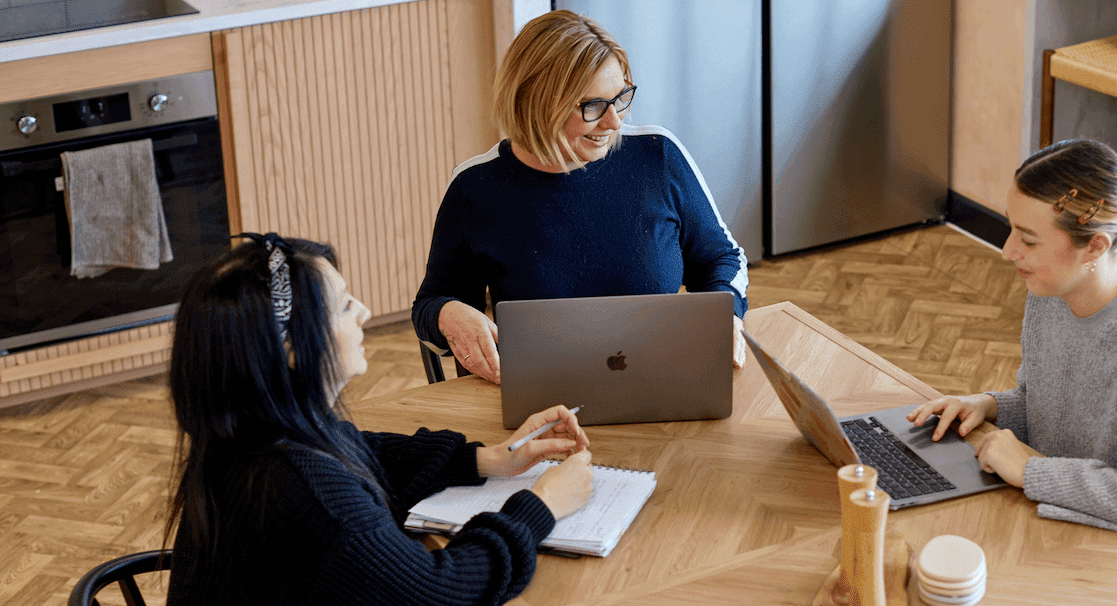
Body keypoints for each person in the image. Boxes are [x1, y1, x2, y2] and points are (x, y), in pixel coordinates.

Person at [166, 234, 595, 606]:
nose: (365, 311)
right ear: (292, 349)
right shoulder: (303, 489)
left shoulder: (251, 432)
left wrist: (491, 459)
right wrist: (542, 506)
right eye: (344, 305)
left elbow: (365, 449)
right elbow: (442, 592)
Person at [907, 140, 1117, 539]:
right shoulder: (1051, 292)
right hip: (1081, 513)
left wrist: (1029, 471)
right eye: (1011, 228)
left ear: (1095, 246)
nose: (1007, 251)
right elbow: (1048, 405)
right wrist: (990, 406)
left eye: (1028, 240)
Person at [412, 10, 749, 383]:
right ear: (534, 101)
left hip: (660, 383)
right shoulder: (475, 188)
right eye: (592, 107)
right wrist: (448, 313)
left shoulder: (658, 156)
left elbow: (721, 258)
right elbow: (431, 306)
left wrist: (727, 315)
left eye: (620, 97)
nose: (614, 122)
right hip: (541, 405)